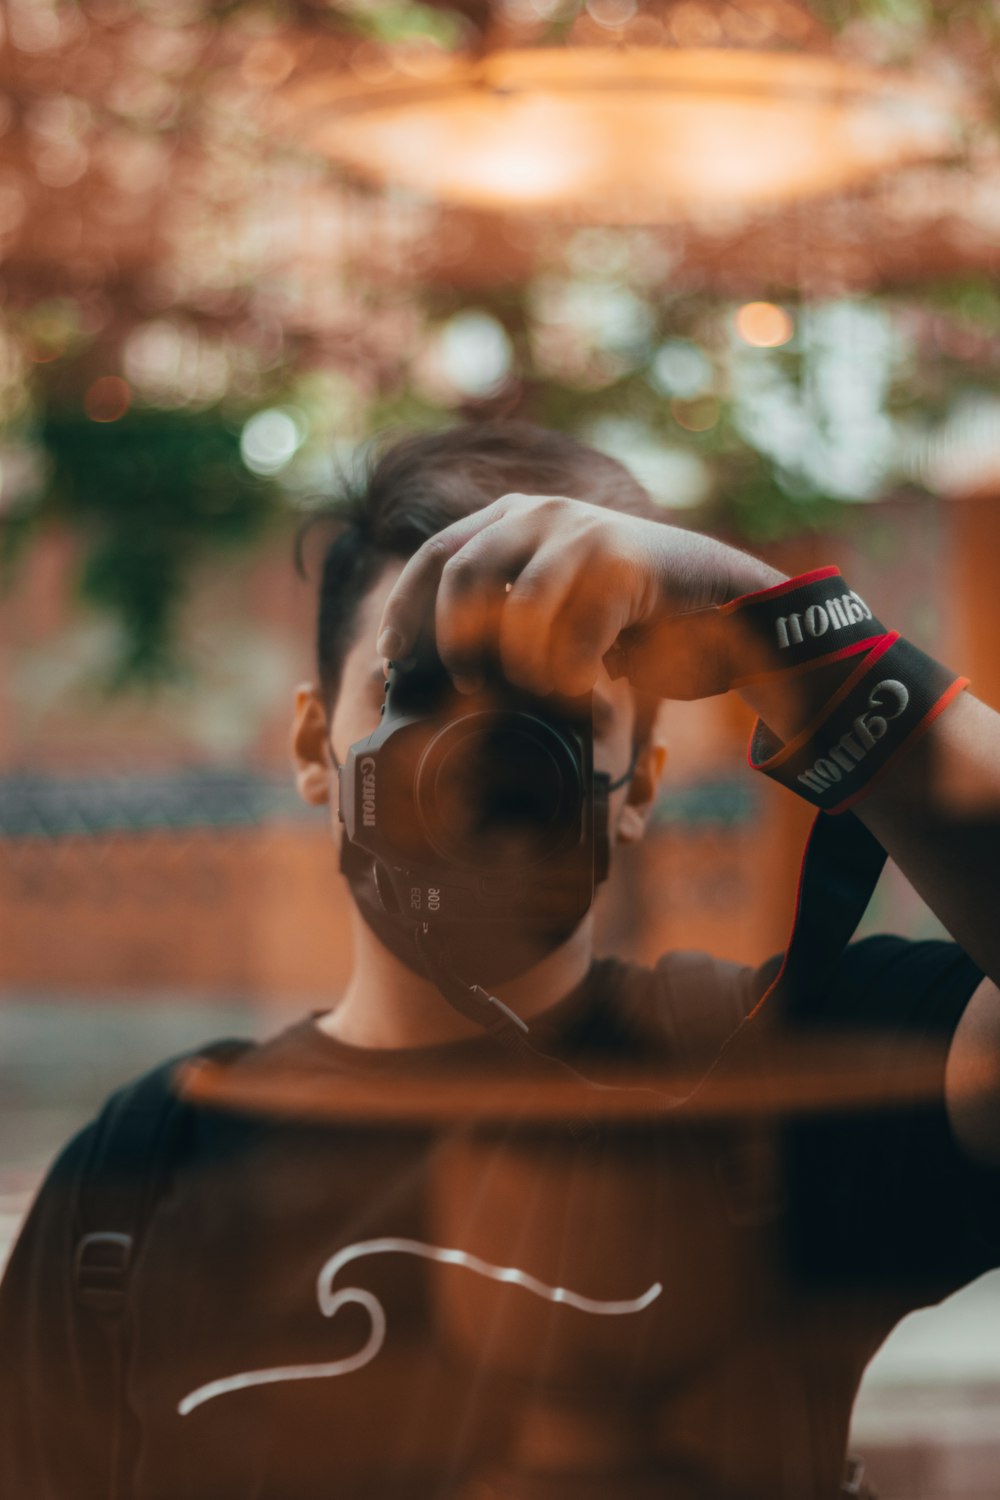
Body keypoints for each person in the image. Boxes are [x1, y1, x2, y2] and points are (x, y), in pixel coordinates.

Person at [1, 420, 998, 1500]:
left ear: (642, 782)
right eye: (416, 687)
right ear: (309, 748)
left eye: (552, 707)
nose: (479, 751)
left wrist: (789, 634)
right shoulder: (135, 1182)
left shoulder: (779, 1078)